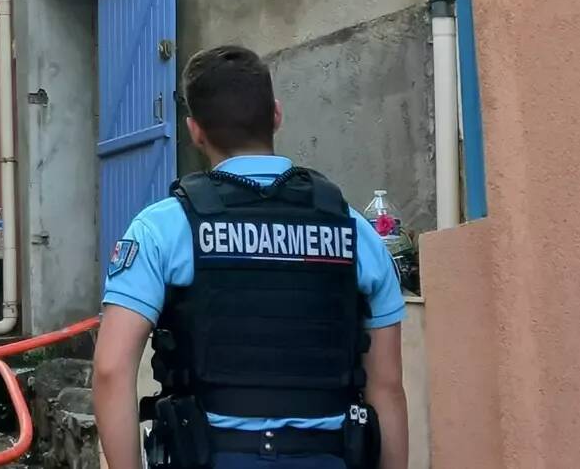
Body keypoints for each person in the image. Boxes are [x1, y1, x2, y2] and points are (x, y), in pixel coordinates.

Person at [92, 46, 409, 469]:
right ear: (276, 114)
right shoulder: (355, 231)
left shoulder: (163, 229)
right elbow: (386, 389)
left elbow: (112, 370)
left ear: (195, 131)